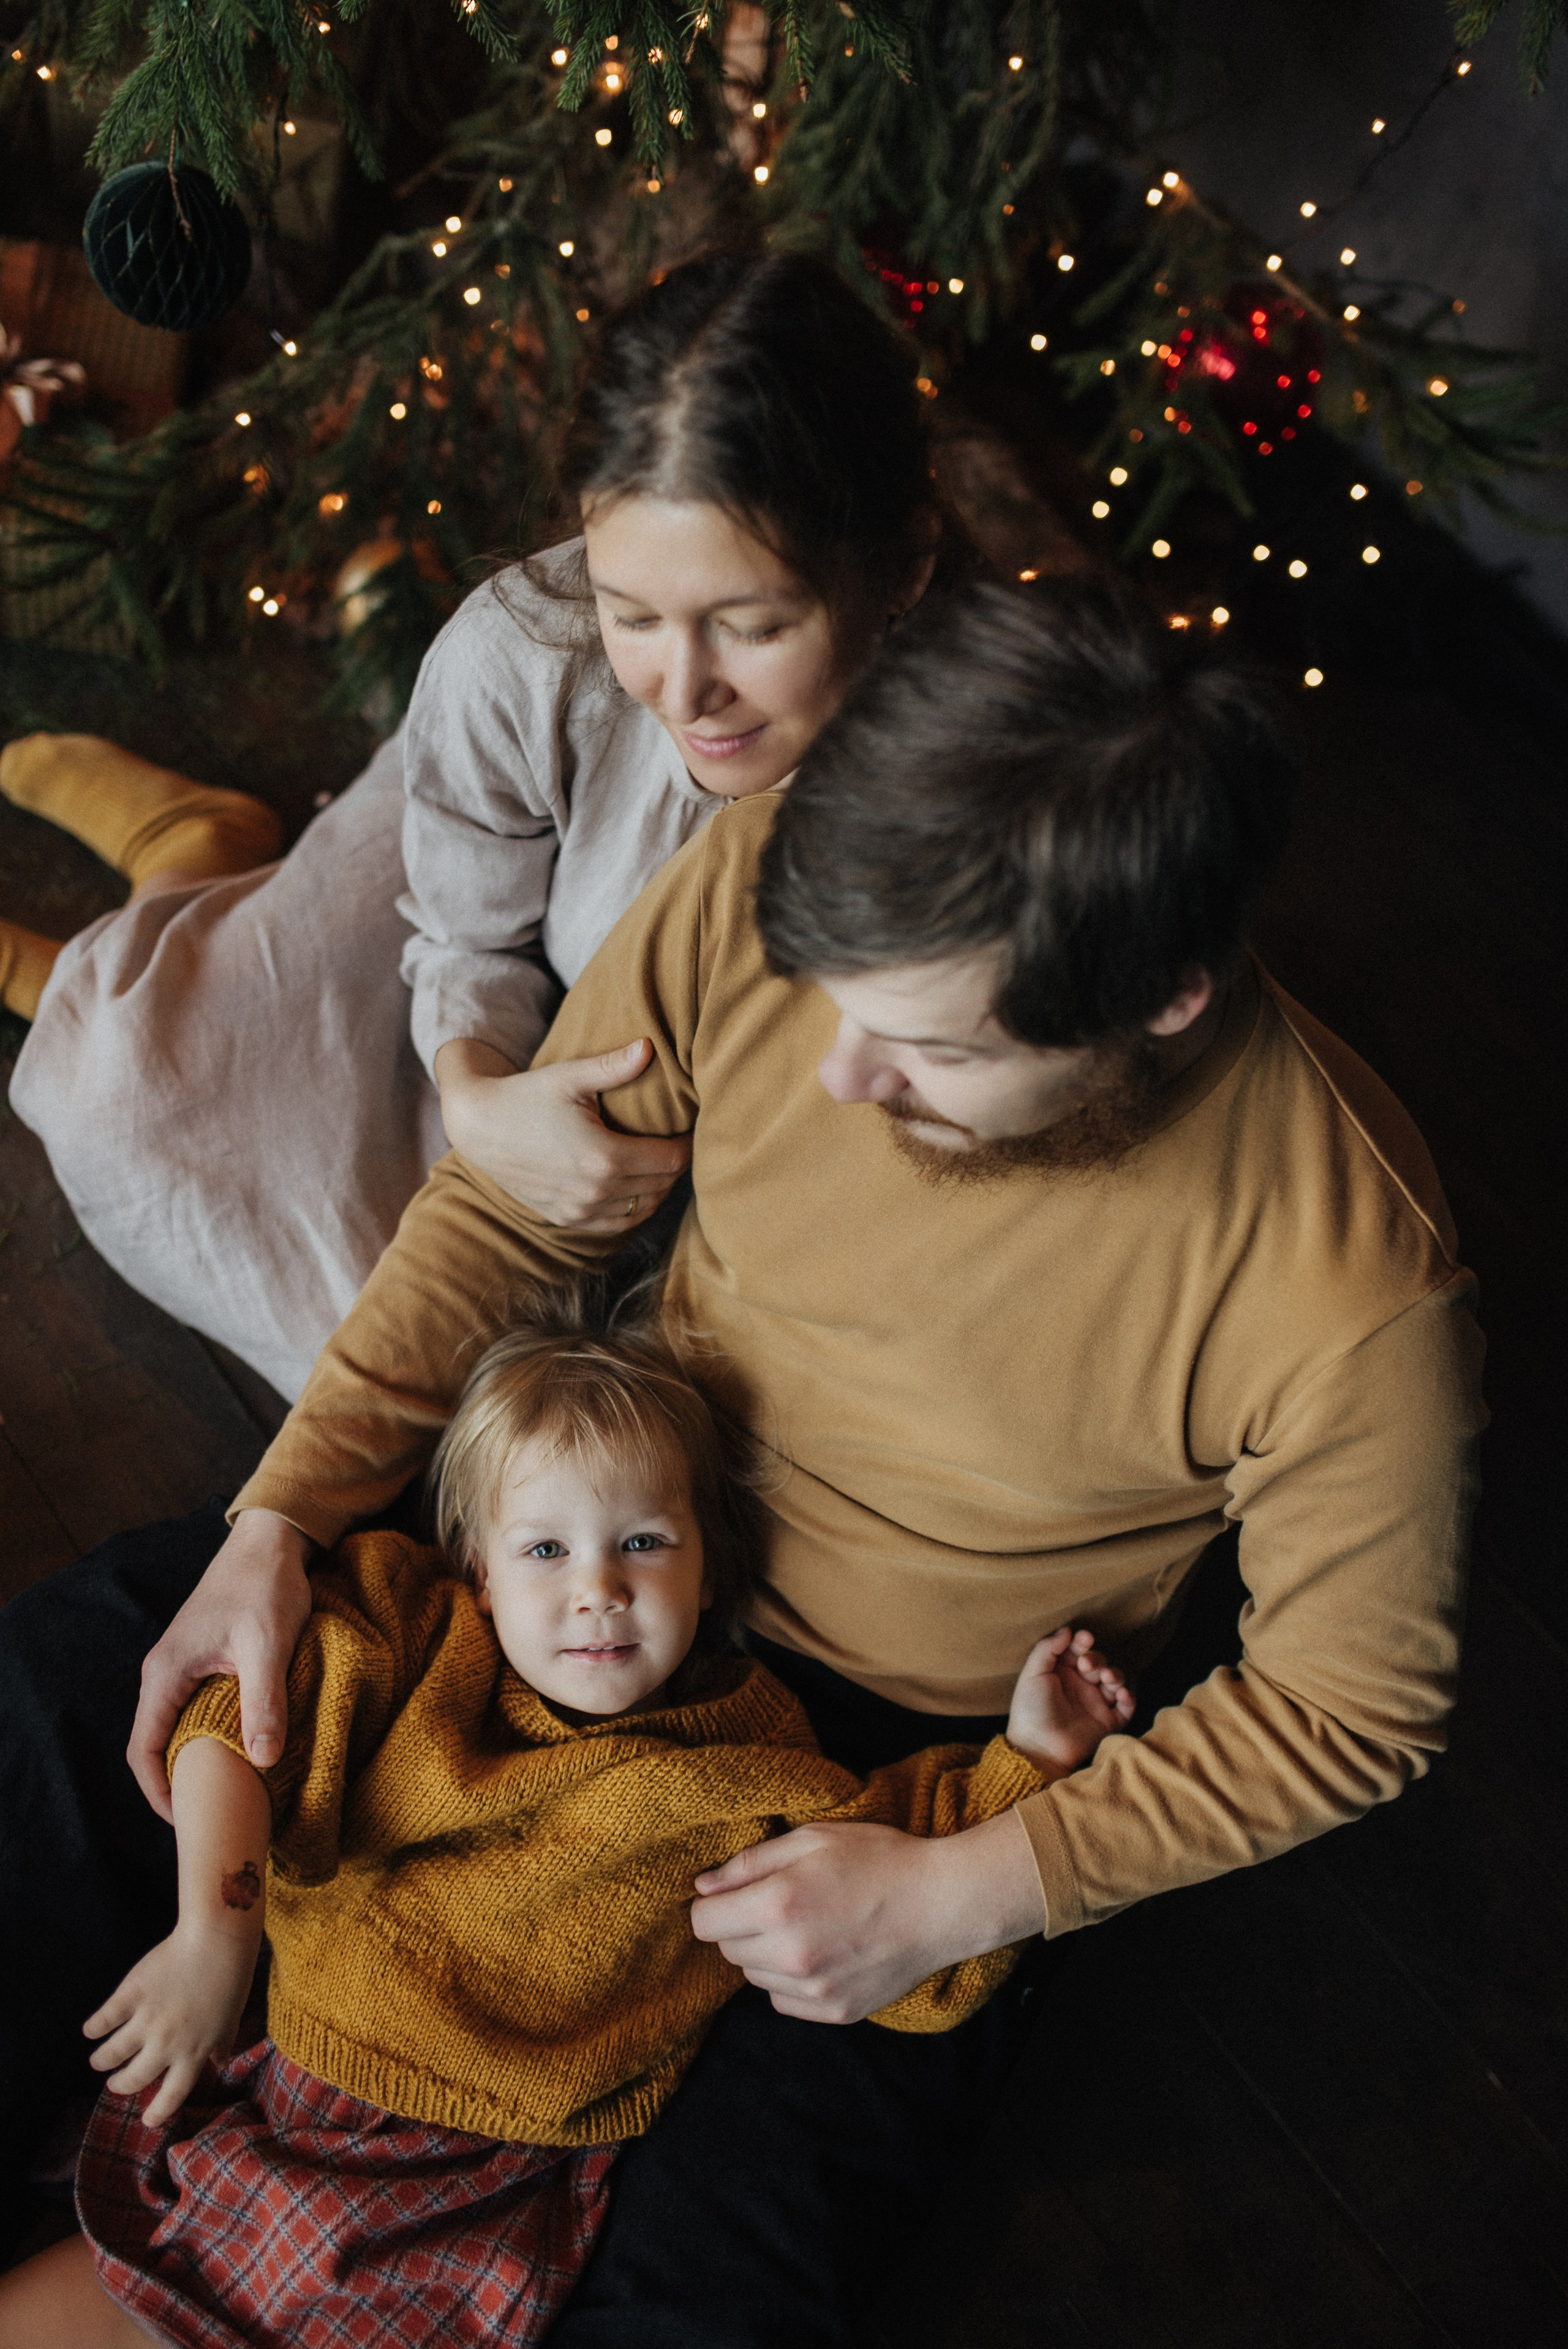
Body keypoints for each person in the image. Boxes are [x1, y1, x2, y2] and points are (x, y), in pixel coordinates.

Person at [0, 573, 1485, 2342]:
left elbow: (1353, 1709)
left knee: (723, 2291)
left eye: (928, 1046)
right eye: (831, 993)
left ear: (1164, 998)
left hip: (885, 1769)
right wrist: (282, 1516)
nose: (838, 1073)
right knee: (70, 1699)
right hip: (579, 1524)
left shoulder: (1356, 1280)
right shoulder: (791, 881)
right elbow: (515, 1203)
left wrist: (961, 1885)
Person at [0, 1305, 1131, 2347]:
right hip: (279, 2075)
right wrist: (215, 1929)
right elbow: (234, 1722)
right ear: (481, 1572)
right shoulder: (421, 1633)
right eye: (547, 1551)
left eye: (643, 1543)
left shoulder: (750, 1761)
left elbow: (914, 1894)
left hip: (474, 2185)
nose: (599, 1588)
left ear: (706, 1564)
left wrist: (1030, 1757)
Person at [1, 247, 943, 1400]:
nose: (684, 692)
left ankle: (187, 884)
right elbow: (464, 938)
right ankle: (185, 856)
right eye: (632, 611)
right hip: (462, 930)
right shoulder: (526, 656)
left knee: (501, 1439)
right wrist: (480, 1096)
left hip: (667, 1183)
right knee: (128, 1095)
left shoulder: (980, 754)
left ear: (902, 569)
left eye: (752, 627)